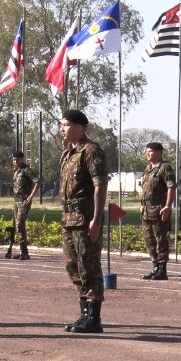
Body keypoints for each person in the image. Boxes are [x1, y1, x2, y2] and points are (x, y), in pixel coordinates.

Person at [58, 110, 108, 334]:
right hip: (68, 219)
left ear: (80, 127)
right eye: (62, 124)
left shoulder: (91, 151)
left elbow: (100, 186)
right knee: (73, 267)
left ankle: (94, 318)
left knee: (89, 267)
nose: (62, 129)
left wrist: (96, 220)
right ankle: (84, 313)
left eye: (66, 125)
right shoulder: (68, 154)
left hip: (85, 219)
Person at [140, 142, 176, 280]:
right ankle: (155, 266)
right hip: (146, 210)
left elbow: (171, 187)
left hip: (158, 209)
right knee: (149, 240)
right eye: (147, 151)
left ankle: (162, 268)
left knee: (160, 239)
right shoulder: (148, 169)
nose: (147, 154)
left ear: (159, 152)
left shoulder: (165, 168)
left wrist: (167, 206)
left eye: (150, 151)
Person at [11, 150, 40, 260]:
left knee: (20, 225)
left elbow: (37, 181)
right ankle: (22, 251)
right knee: (17, 226)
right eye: (13, 159)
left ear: (22, 159)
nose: (15, 161)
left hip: (24, 202)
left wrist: (30, 196)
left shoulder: (27, 170)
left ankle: (25, 252)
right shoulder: (16, 171)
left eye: (17, 159)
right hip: (16, 202)